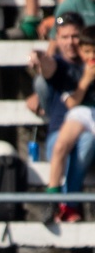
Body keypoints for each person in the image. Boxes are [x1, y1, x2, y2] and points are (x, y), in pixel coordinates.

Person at [29, 14, 95, 204]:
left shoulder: (87, 61)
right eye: (64, 37)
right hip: (61, 132)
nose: (70, 42)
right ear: (56, 39)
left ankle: (67, 205)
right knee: (67, 144)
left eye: (74, 36)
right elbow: (48, 66)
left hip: (88, 138)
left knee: (87, 140)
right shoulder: (60, 65)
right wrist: (40, 57)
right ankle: (57, 199)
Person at [48, 25, 95, 222]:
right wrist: (86, 80)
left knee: (85, 145)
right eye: (87, 52)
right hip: (81, 112)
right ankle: (52, 199)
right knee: (61, 145)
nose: (91, 56)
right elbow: (73, 102)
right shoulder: (74, 70)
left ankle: (69, 205)